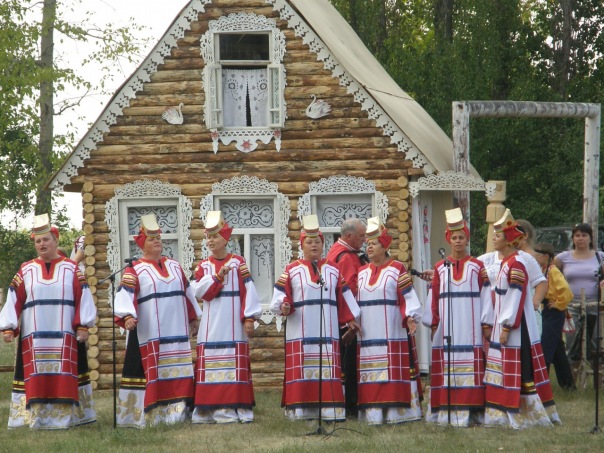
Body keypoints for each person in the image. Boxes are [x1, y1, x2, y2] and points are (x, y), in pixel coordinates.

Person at [0, 214, 97, 429]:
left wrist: (83, 325)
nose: (42, 244)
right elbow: (14, 297)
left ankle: (66, 418)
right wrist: (8, 327)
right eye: (38, 241)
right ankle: (36, 418)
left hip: (64, 334)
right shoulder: (26, 269)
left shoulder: (71, 268)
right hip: (34, 336)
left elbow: (83, 296)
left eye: (46, 240)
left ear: (55, 241)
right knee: (37, 373)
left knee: (64, 373)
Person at [270, 214, 361, 421]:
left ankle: (329, 410)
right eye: (309, 242)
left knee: (326, 367)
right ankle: (301, 410)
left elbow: (344, 297)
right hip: (300, 331)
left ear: (323, 244)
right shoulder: (291, 270)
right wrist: (283, 306)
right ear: (302, 245)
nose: (313, 245)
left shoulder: (333, 269)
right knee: (303, 367)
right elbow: (280, 296)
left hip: (327, 330)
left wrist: (350, 318)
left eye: (317, 242)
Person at [114, 213, 201, 428]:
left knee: (178, 370)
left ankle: (179, 414)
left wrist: (193, 317)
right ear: (143, 244)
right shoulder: (134, 269)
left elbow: (187, 292)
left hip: (177, 333)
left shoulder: (174, 266)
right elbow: (125, 294)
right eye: (152, 239)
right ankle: (150, 416)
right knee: (153, 372)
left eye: (159, 238)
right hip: (151, 332)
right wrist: (127, 316)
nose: (157, 242)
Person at [483, 210, 560, 428]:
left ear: (508, 240)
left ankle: (525, 413)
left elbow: (514, 298)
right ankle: (503, 412)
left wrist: (507, 327)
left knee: (521, 366)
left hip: (516, 327)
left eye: (497, 235)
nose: (494, 238)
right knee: (506, 367)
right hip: (505, 323)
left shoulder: (517, 264)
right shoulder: (506, 262)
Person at [191, 211, 262, 424]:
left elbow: (248, 290)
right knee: (213, 364)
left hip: (233, 324)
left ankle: (236, 408)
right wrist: (217, 277)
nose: (211, 241)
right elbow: (198, 292)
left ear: (225, 238)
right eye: (208, 237)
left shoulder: (238, 262)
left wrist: (249, 318)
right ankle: (210, 411)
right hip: (211, 324)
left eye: (215, 236)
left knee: (234, 365)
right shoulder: (203, 266)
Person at [424, 208, 492, 426]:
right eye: (454, 237)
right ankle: (446, 411)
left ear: (467, 239)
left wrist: (485, 322)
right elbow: (433, 296)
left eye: (461, 237)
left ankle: (472, 411)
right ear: (448, 240)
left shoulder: (477, 267)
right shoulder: (440, 268)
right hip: (448, 327)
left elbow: (486, 295)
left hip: (471, 327)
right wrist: (434, 322)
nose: (458, 241)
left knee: (472, 366)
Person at [355, 217, 423, 424]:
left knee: (392, 368)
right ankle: (373, 413)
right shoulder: (361, 273)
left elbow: (408, 296)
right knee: (370, 369)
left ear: (384, 246)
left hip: (391, 329)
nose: (369, 248)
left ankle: (396, 413)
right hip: (367, 333)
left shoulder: (397, 269)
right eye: (367, 244)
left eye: (373, 244)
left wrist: (410, 316)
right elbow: (356, 301)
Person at [326, 218, 367, 417]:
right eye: (361, 236)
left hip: (339, 315)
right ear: (349, 236)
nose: (365, 240)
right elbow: (349, 288)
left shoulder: (336, 250)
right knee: (349, 363)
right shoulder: (346, 257)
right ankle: (350, 405)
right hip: (346, 317)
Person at [553, 222, 604, 365]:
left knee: (595, 342)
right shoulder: (563, 257)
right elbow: (549, 276)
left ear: (590, 238)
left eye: (584, 235)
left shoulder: (600, 257)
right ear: (573, 238)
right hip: (571, 305)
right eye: (577, 235)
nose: (581, 238)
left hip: (595, 304)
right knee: (571, 342)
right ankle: (570, 379)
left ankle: (596, 377)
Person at [533, 242, 575, 390]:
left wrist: (558, 304)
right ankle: (568, 383)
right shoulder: (543, 270)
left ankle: (540, 385)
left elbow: (567, 292)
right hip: (547, 310)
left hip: (554, 313)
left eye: (536, 255)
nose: (533, 258)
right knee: (557, 351)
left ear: (546, 256)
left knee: (546, 348)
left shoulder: (553, 271)